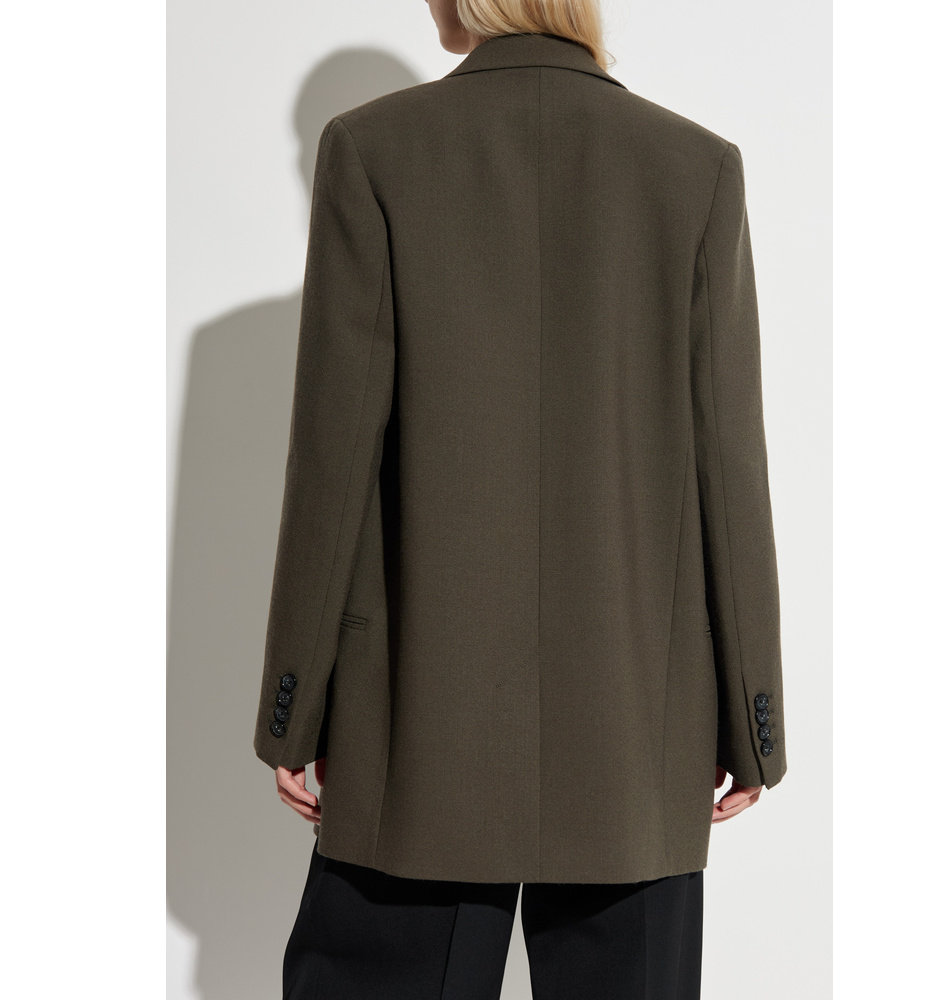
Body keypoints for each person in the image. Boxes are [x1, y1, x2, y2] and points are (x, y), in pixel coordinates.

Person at [252, 1, 788, 996]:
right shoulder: (695, 168)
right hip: (636, 729)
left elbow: (333, 460)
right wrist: (754, 720)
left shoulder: (371, 150)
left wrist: (293, 706)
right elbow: (728, 460)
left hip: (416, 723)